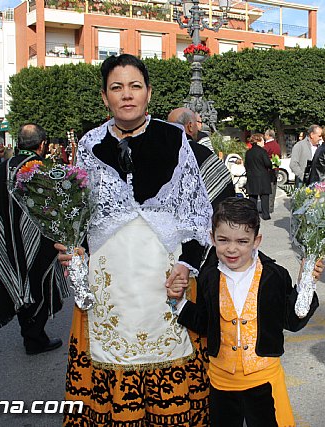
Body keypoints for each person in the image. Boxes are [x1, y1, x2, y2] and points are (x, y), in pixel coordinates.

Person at [57, 54, 213, 426]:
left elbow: (197, 212)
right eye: (116, 87)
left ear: (148, 93)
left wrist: (186, 265)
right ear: (104, 97)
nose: (126, 95)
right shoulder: (89, 144)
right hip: (109, 280)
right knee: (109, 355)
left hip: (167, 275)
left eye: (135, 86)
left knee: (172, 349)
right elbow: (77, 213)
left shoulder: (174, 137)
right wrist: (74, 247)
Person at [169, 197, 323, 427]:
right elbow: (204, 322)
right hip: (221, 383)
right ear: (212, 239)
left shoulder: (275, 276)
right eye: (223, 240)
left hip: (264, 380)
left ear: (256, 241)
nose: (232, 249)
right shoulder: (209, 277)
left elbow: (292, 320)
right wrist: (178, 302)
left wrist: (305, 285)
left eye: (242, 241)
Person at [0, 123, 69, 355]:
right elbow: (52, 208)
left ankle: (31, 333)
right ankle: (35, 338)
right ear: (42, 144)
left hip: (9, 241)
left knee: (21, 284)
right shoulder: (38, 168)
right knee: (39, 285)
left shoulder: (3, 168)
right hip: (36, 241)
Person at [168, 107, 235, 210]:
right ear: (190, 126)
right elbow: (224, 187)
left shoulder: (159, 152)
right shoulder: (201, 152)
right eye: (196, 124)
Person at [244, 133, 273, 220]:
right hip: (262, 176)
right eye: (263, 140)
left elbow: (246, 165)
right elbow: (268, 164)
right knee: (264, 197)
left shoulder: (248, 153)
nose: (264, 142)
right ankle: (265, 215)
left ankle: (252, 215)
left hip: (252, 177)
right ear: (258, 141)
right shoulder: (262, 151)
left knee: (252, 197)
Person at [263, 129, 281, 213]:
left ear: (268, 136)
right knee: (273, 188)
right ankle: (271, 207)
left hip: (268, 169)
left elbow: (263, 156)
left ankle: (266, 207)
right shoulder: (277, 145)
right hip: (276, 168)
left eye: (265, 135)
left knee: (267, 188)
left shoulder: (267, 145)